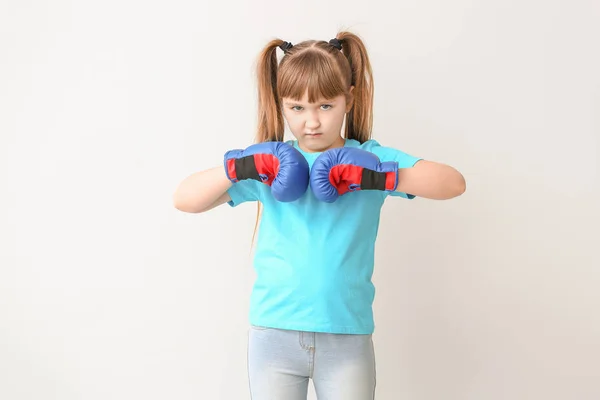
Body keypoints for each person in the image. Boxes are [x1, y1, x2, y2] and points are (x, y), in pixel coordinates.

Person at [173, 31, 466, 400]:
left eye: (325, 106)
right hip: (273, 332)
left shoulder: (370, 159)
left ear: (349, 98)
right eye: (297, 108)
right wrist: (240, 166)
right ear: (281, 104)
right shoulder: (273, 164)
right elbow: (184, 199)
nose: (311, 122)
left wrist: (379, 175)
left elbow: (453, 183)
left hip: (346, 334)